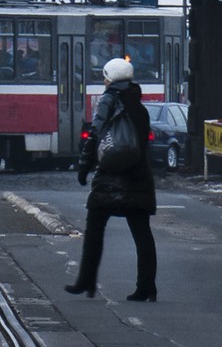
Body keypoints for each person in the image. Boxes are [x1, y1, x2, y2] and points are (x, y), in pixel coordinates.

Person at [65, 56, 157, 302]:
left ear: (111, 78)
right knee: (142, 233)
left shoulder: (108, 99)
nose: (103, 80)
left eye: (105, 76)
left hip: (111, 177)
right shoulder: (138, 103)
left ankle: (86, 281)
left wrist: (84, 167)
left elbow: (95, 134)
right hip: (139, 176)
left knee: (95, 227)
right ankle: (147, 287)